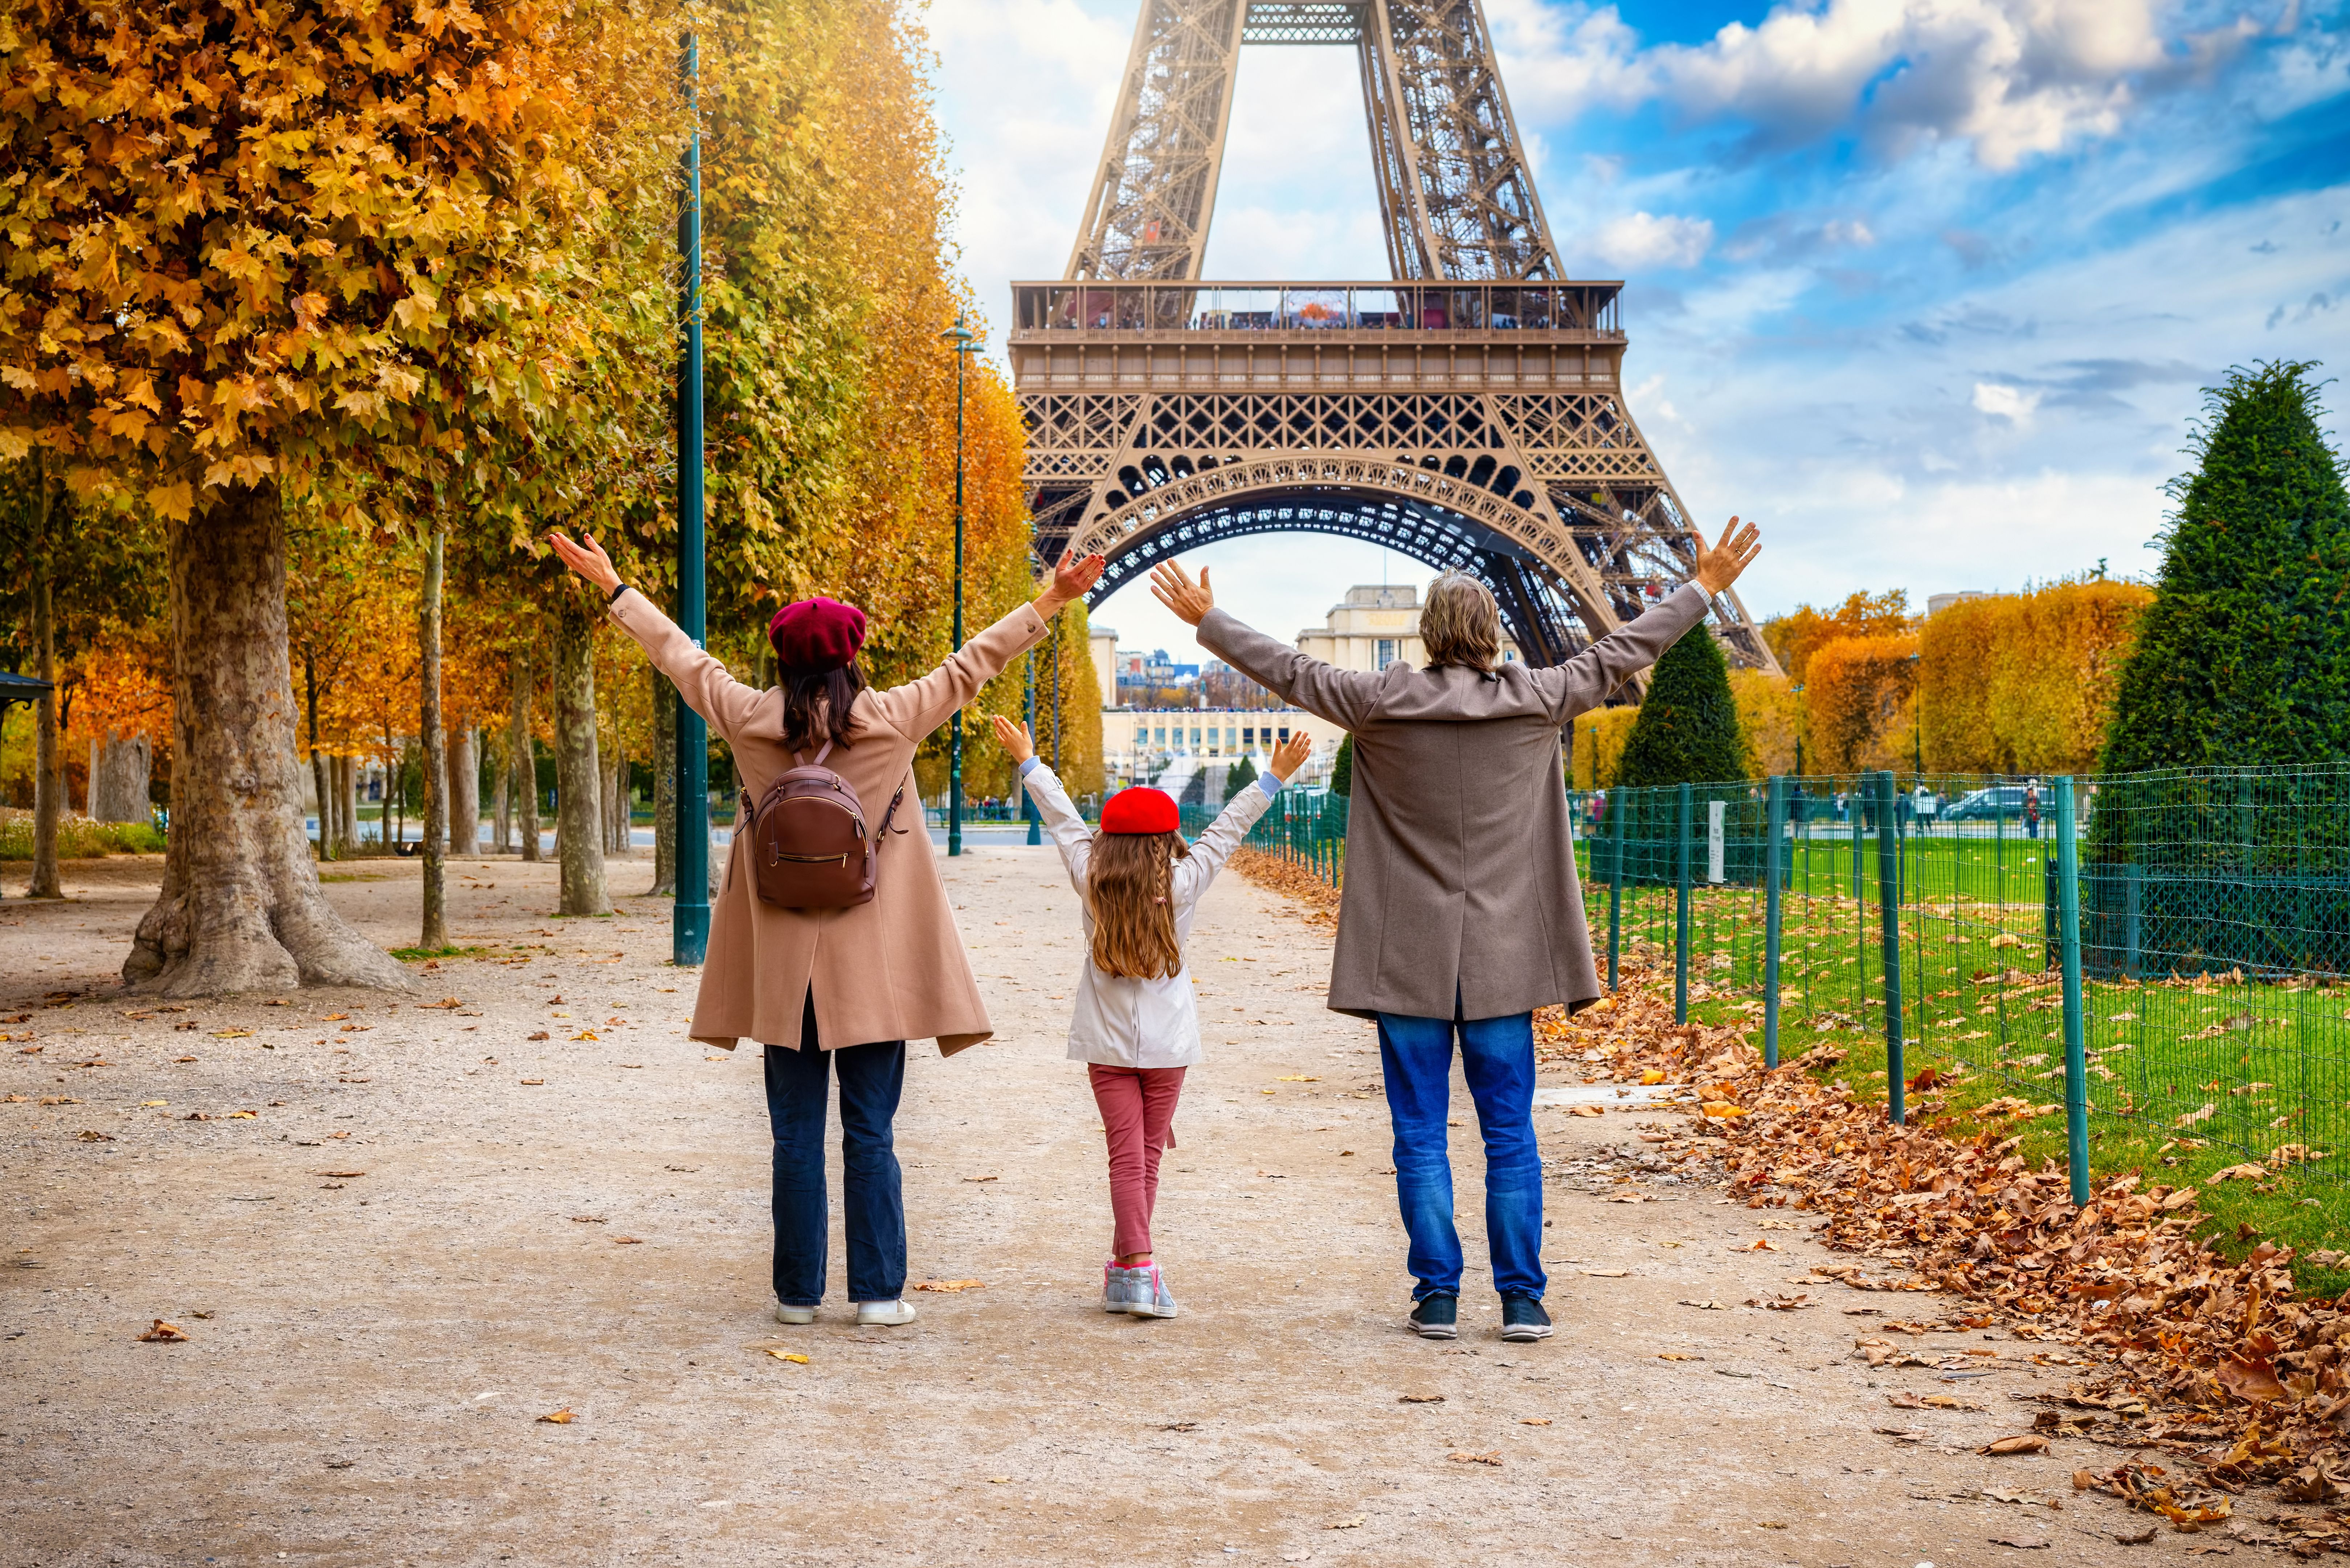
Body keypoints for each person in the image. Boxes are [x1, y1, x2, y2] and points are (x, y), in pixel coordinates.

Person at [1148, 519, 1761, 1342]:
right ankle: (1521, 1299)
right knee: (1509, 1132)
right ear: (1493, 634)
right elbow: (1623, 652)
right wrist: (1703, 587)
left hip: (1407, 957)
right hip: (1506, 956)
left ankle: (1436, 1293)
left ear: (1430, 638)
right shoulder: (1540, 695)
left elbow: (1288, 669)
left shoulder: (1378, 702)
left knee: (1417, 1132)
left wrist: (1207, 621)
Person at [545, 527, 1106, 1328]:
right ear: (853, 656)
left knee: (794, 1138)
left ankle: (797, 1297)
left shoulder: (747, 720)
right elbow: (973, 662)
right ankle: (879, 1294)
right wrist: (1051, 598)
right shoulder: (894, 720)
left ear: (781, 659)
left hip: (784, 967)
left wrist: (615, 587)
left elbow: (682, 658)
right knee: (871, 1133)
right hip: (871, 967)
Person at [996, 716, 1314, 1319]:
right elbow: (1226, 831)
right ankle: (1138, 1269)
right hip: (1169, 1046)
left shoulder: (1091, 878)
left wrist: (1030, 762)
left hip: (1106, 1044)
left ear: (1110, 840)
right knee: (1147, 1156)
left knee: (1126, 1155)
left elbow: (1064, 821)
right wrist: (1272, 778)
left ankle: (1129, 1273)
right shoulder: (1185, 881)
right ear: (1167, 839)